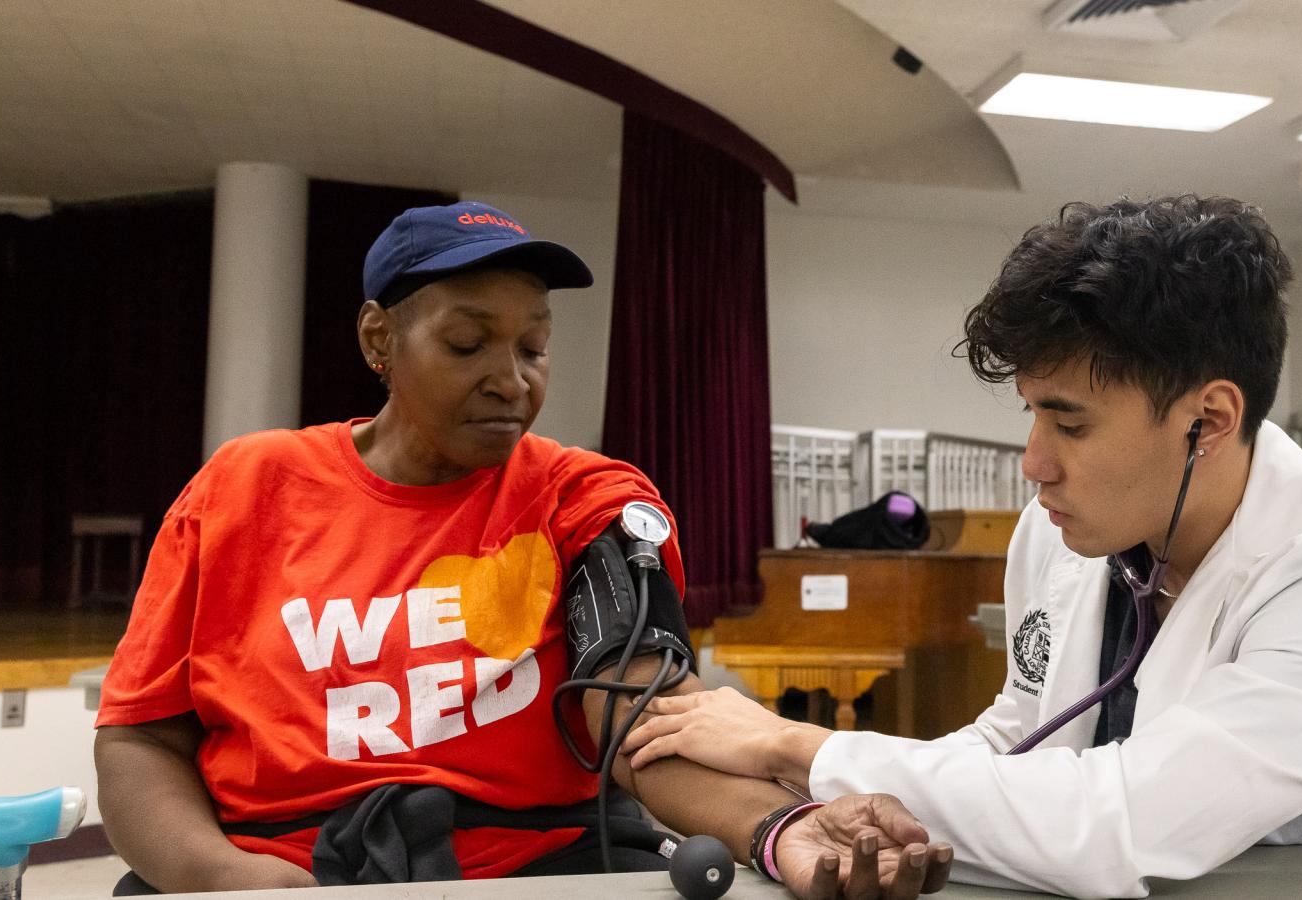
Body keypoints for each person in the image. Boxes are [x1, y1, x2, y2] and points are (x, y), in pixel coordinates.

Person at [94, 201, 952, 898]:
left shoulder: (587, 498)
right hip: (275, 869)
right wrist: (219, 879)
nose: (513, 379)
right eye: (469, 345)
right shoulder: (244, 488)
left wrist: (783, 828)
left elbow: (643, 717)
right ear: (378, 341)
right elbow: (141, 740)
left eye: (534, 347)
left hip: (533, 870)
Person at [622, 196, 1302, 897]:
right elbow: (1019, 738)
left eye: (1070, 421)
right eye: (1030, 412)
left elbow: (1118, 823)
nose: (1033, 462)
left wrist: (797, 744)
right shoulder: (1058, 538)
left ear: (1208, 421)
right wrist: (858, 802)